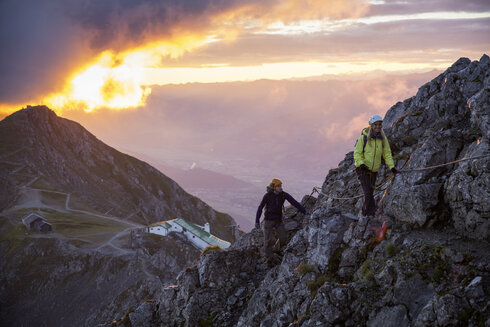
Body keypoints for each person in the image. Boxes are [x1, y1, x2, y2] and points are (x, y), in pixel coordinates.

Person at [354, 114, 398, 219]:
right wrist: (362, 164)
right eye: (375, 125)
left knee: (370, 192)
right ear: (371, 125)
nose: (378, 127)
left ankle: (366, 214)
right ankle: (368, 215)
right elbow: (357, 153)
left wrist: (392, 167)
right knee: (368, 192)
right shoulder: (363, 138)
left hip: (374, 170)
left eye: (379, 125)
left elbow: (387, 153)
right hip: (362, 169)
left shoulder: (382, 139)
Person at [255, 178, 306, 261]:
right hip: (268, 220)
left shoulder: (283, 195)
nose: (281, 187)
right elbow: (260, 208)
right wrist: (257, 221)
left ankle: (275, 250)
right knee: (268, 241)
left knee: (283, 238)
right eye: (278, 186)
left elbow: (294, 202)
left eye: (281, 186)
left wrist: (304, 211)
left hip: (278, 220)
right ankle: (269, 258)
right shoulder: (267, 196)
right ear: (274, 187)